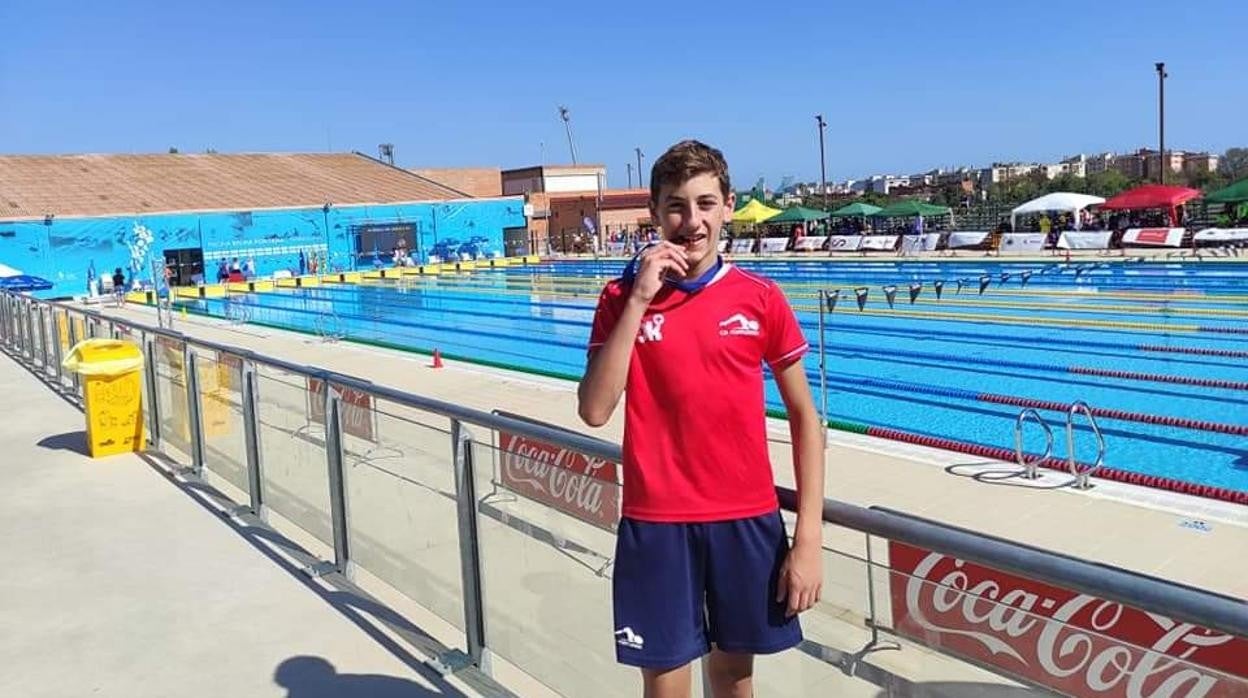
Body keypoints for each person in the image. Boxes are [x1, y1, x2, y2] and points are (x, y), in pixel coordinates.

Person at [577, 140, 824, 698]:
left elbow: (806, 420)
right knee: (665, 687)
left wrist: (807, 539)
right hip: (656, 520)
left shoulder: (760, 298)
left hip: (746, 517)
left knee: (735, 678)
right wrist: (640, 299)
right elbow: (594, 410)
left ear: (728, 206)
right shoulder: (620, 297)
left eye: (705, 204)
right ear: (655, 214)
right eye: (676, 206)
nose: (693, 221)